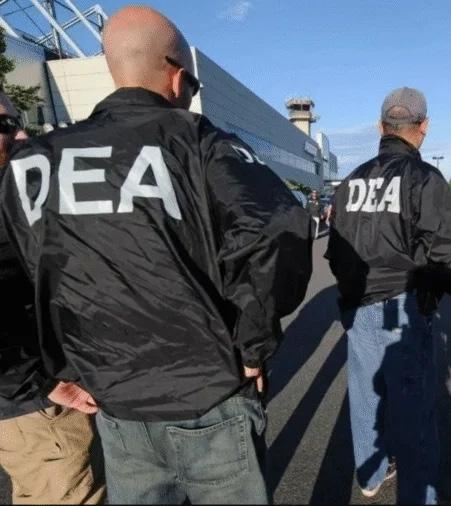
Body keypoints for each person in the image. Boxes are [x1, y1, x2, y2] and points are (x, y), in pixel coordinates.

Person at [0, 6, 313, 505]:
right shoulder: (198, 141)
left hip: (113, 399)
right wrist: (254, 343)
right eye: (192, 84)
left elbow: (18, 276)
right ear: (175, 75)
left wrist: (40, 374)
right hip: (209, 389)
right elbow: (277, 227)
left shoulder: (34, 163)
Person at [326, 87, 451, 504]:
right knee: (414, 408)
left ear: (381, 127)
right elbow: (444, 251)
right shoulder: (426, 179)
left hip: (358, 303)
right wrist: (431, 296)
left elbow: (335, 250)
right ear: (423, 127)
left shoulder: (351, 182)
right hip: (405, 302)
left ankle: (371, 474)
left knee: (365, 394)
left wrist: (350, 294)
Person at [0, 92, 105, 505]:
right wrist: (40, 384)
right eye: (6, 126)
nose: (22, 135)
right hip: (31, 403)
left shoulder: (13, 191)